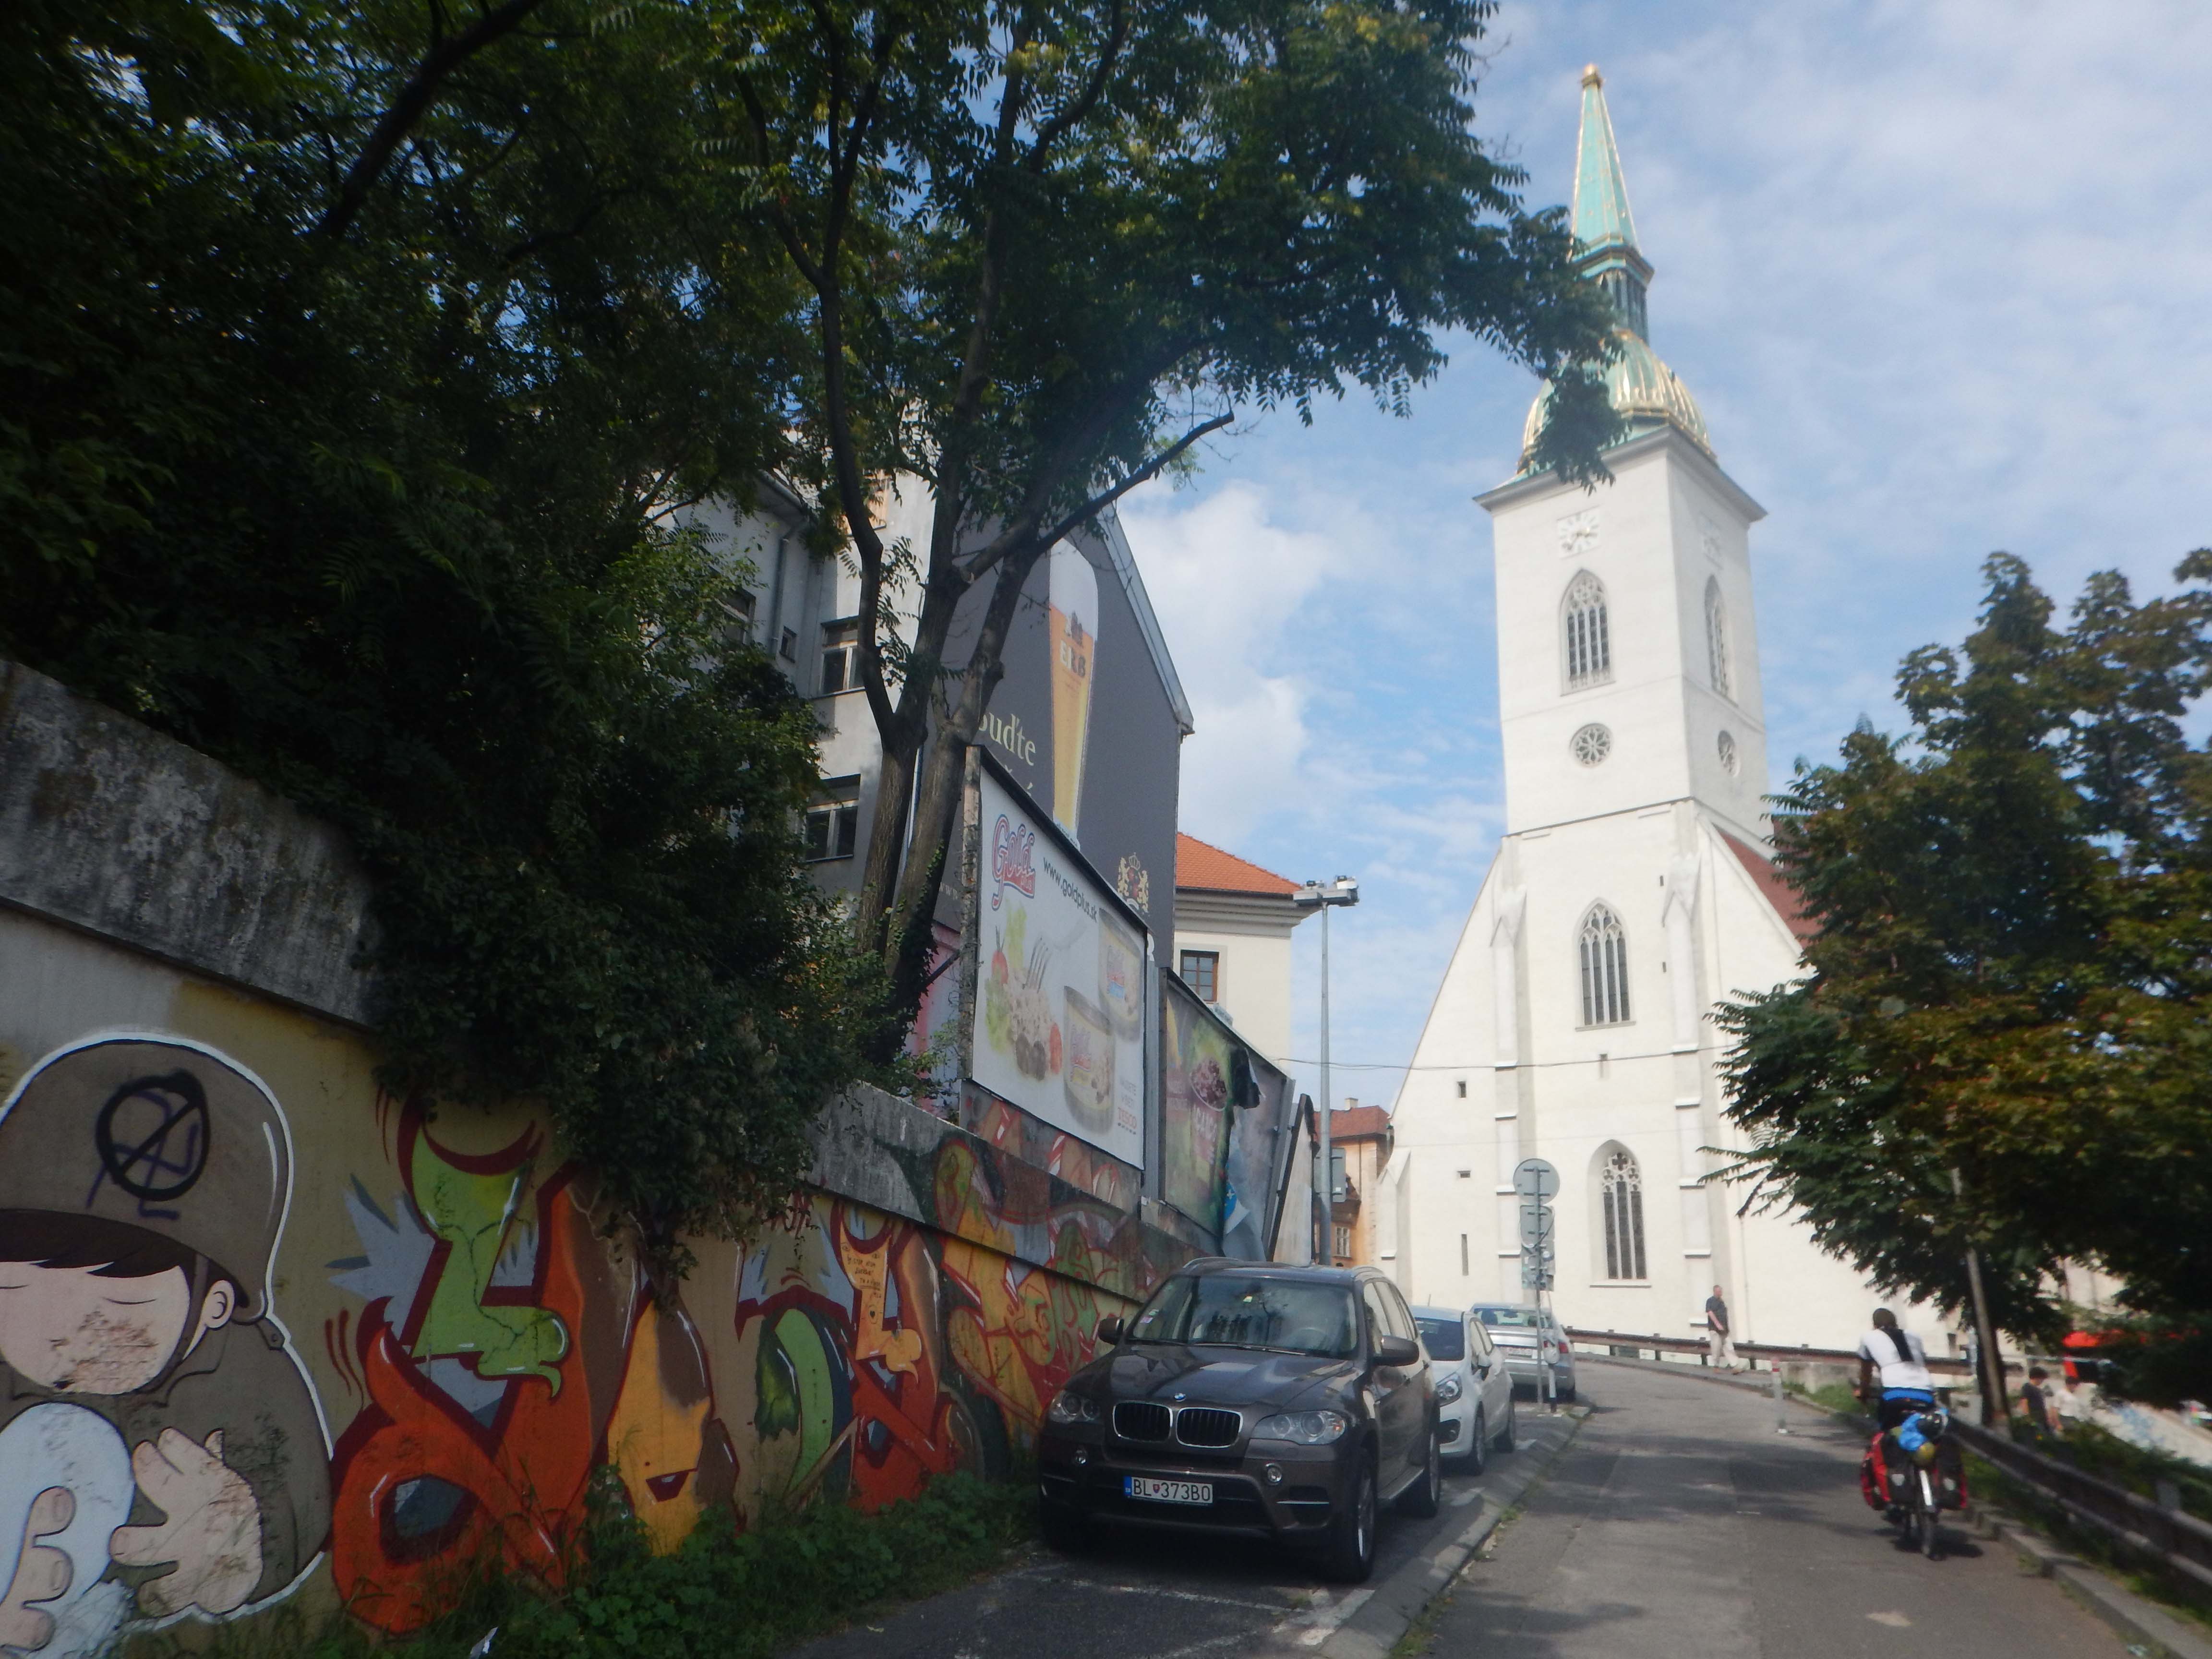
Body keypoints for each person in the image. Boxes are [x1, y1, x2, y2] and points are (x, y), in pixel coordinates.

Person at [0, 1038, 330, 1658]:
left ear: (214, 1307)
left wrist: (245, 1544)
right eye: (15, 1285)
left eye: (119, 1302)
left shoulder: (243, 1372)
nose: (64, 1331)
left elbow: (295, 1487)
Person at [1855, 1307, 1939, 1431]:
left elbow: (1866, 1373)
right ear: (1896, 1324)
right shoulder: (1914, 1336)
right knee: (1929, 1430)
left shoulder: (1869, 1337)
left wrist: (1863, 1393)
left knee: (1885, 1431)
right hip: (1925, 1391)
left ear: (1874, 1326)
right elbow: (1922, 1362)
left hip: (1893, 1391)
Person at [1704, 1285, 1737, 1370]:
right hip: (1715, 1329)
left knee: (1729, 1346)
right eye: (1719, 1291)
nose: (1721, 1293)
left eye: (1721, 1291)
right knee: (1716, 1347)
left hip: (1724, 1329)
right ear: (1715, 1291)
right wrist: (1717, 1324)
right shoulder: (1710, 1301)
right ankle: (1716, 1366)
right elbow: (1710, 1312)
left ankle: (1735, 1365)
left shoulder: (1722, 1302)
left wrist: (1726, 1328)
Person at [2020, 1366, 2056, 1436]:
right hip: (2035, 1419)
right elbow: (2024, 1402)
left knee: (2050, 1436)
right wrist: (2028, 1418)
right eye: (2042, 1379)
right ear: (2037, 1378)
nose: (2042, 1381)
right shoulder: (2027, 1387)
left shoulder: (2038, 1390)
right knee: (2040, 1437)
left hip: (2042, 1418)